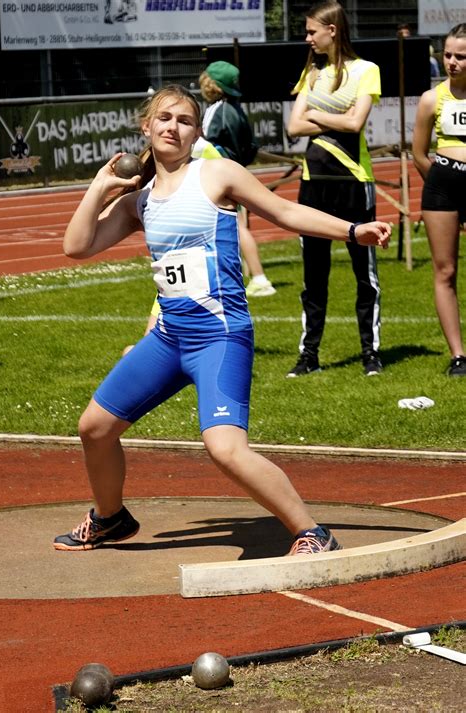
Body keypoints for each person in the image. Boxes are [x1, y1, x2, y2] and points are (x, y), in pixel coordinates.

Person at [53, 84, 390, 556]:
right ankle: (110, 518)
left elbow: (286, 211)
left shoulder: (216, 175)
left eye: (184, 121)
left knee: (225, 448)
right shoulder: (139, 202)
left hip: (220, 336)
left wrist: (353, 231)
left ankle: (313, 532)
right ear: (145, 127)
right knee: (94, 428)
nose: (173, 127)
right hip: (169, 338)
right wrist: (100, 186)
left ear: (196, 133)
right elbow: (76, 246)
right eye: (164, 118)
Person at [286, 1, 384, 378]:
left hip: (354, 182)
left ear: (333, 30)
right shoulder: (311, 73)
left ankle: (370, 353)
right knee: (314, 275)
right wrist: (335, 121)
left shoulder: (366, 71)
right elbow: (294, 128)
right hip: (314, 184)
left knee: (365, 273)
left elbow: (356, 122)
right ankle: (309, 355)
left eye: (313, 31)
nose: (308, 38)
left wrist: (316, 115)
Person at [412, 23, 466, 377]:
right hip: (443, 185)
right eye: (447, 54)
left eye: (460, 56)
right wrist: (439, 184)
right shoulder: (432, 98)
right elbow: (418, 153)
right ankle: (459, 355)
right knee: (445, 271)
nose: (451, 62)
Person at [197, 60, 276, 298]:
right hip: (232, 170)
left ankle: (260, 277)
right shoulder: (234, 108)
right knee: (233, 226)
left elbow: (205, 143)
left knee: (238, 228)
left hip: (221, 174)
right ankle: (241, 277)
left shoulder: (218, 110)